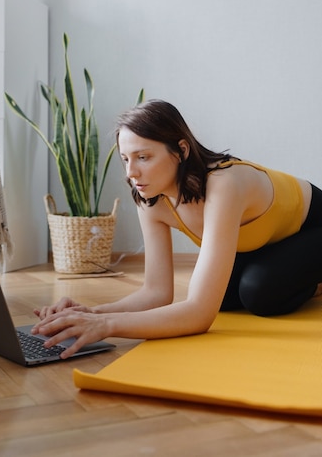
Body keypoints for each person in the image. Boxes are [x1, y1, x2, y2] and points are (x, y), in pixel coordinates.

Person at [32, 99, 322, 359]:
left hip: (313, 223)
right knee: (225, 299)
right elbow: (156, 293)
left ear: (181, 151)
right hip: (265, 243)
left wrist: (106, 325)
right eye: (125, 159)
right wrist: (90, 313)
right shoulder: (150, 198)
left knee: (259, 292)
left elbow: (198, 315)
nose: (131, 173)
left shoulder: (224, 184)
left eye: (143, 157)